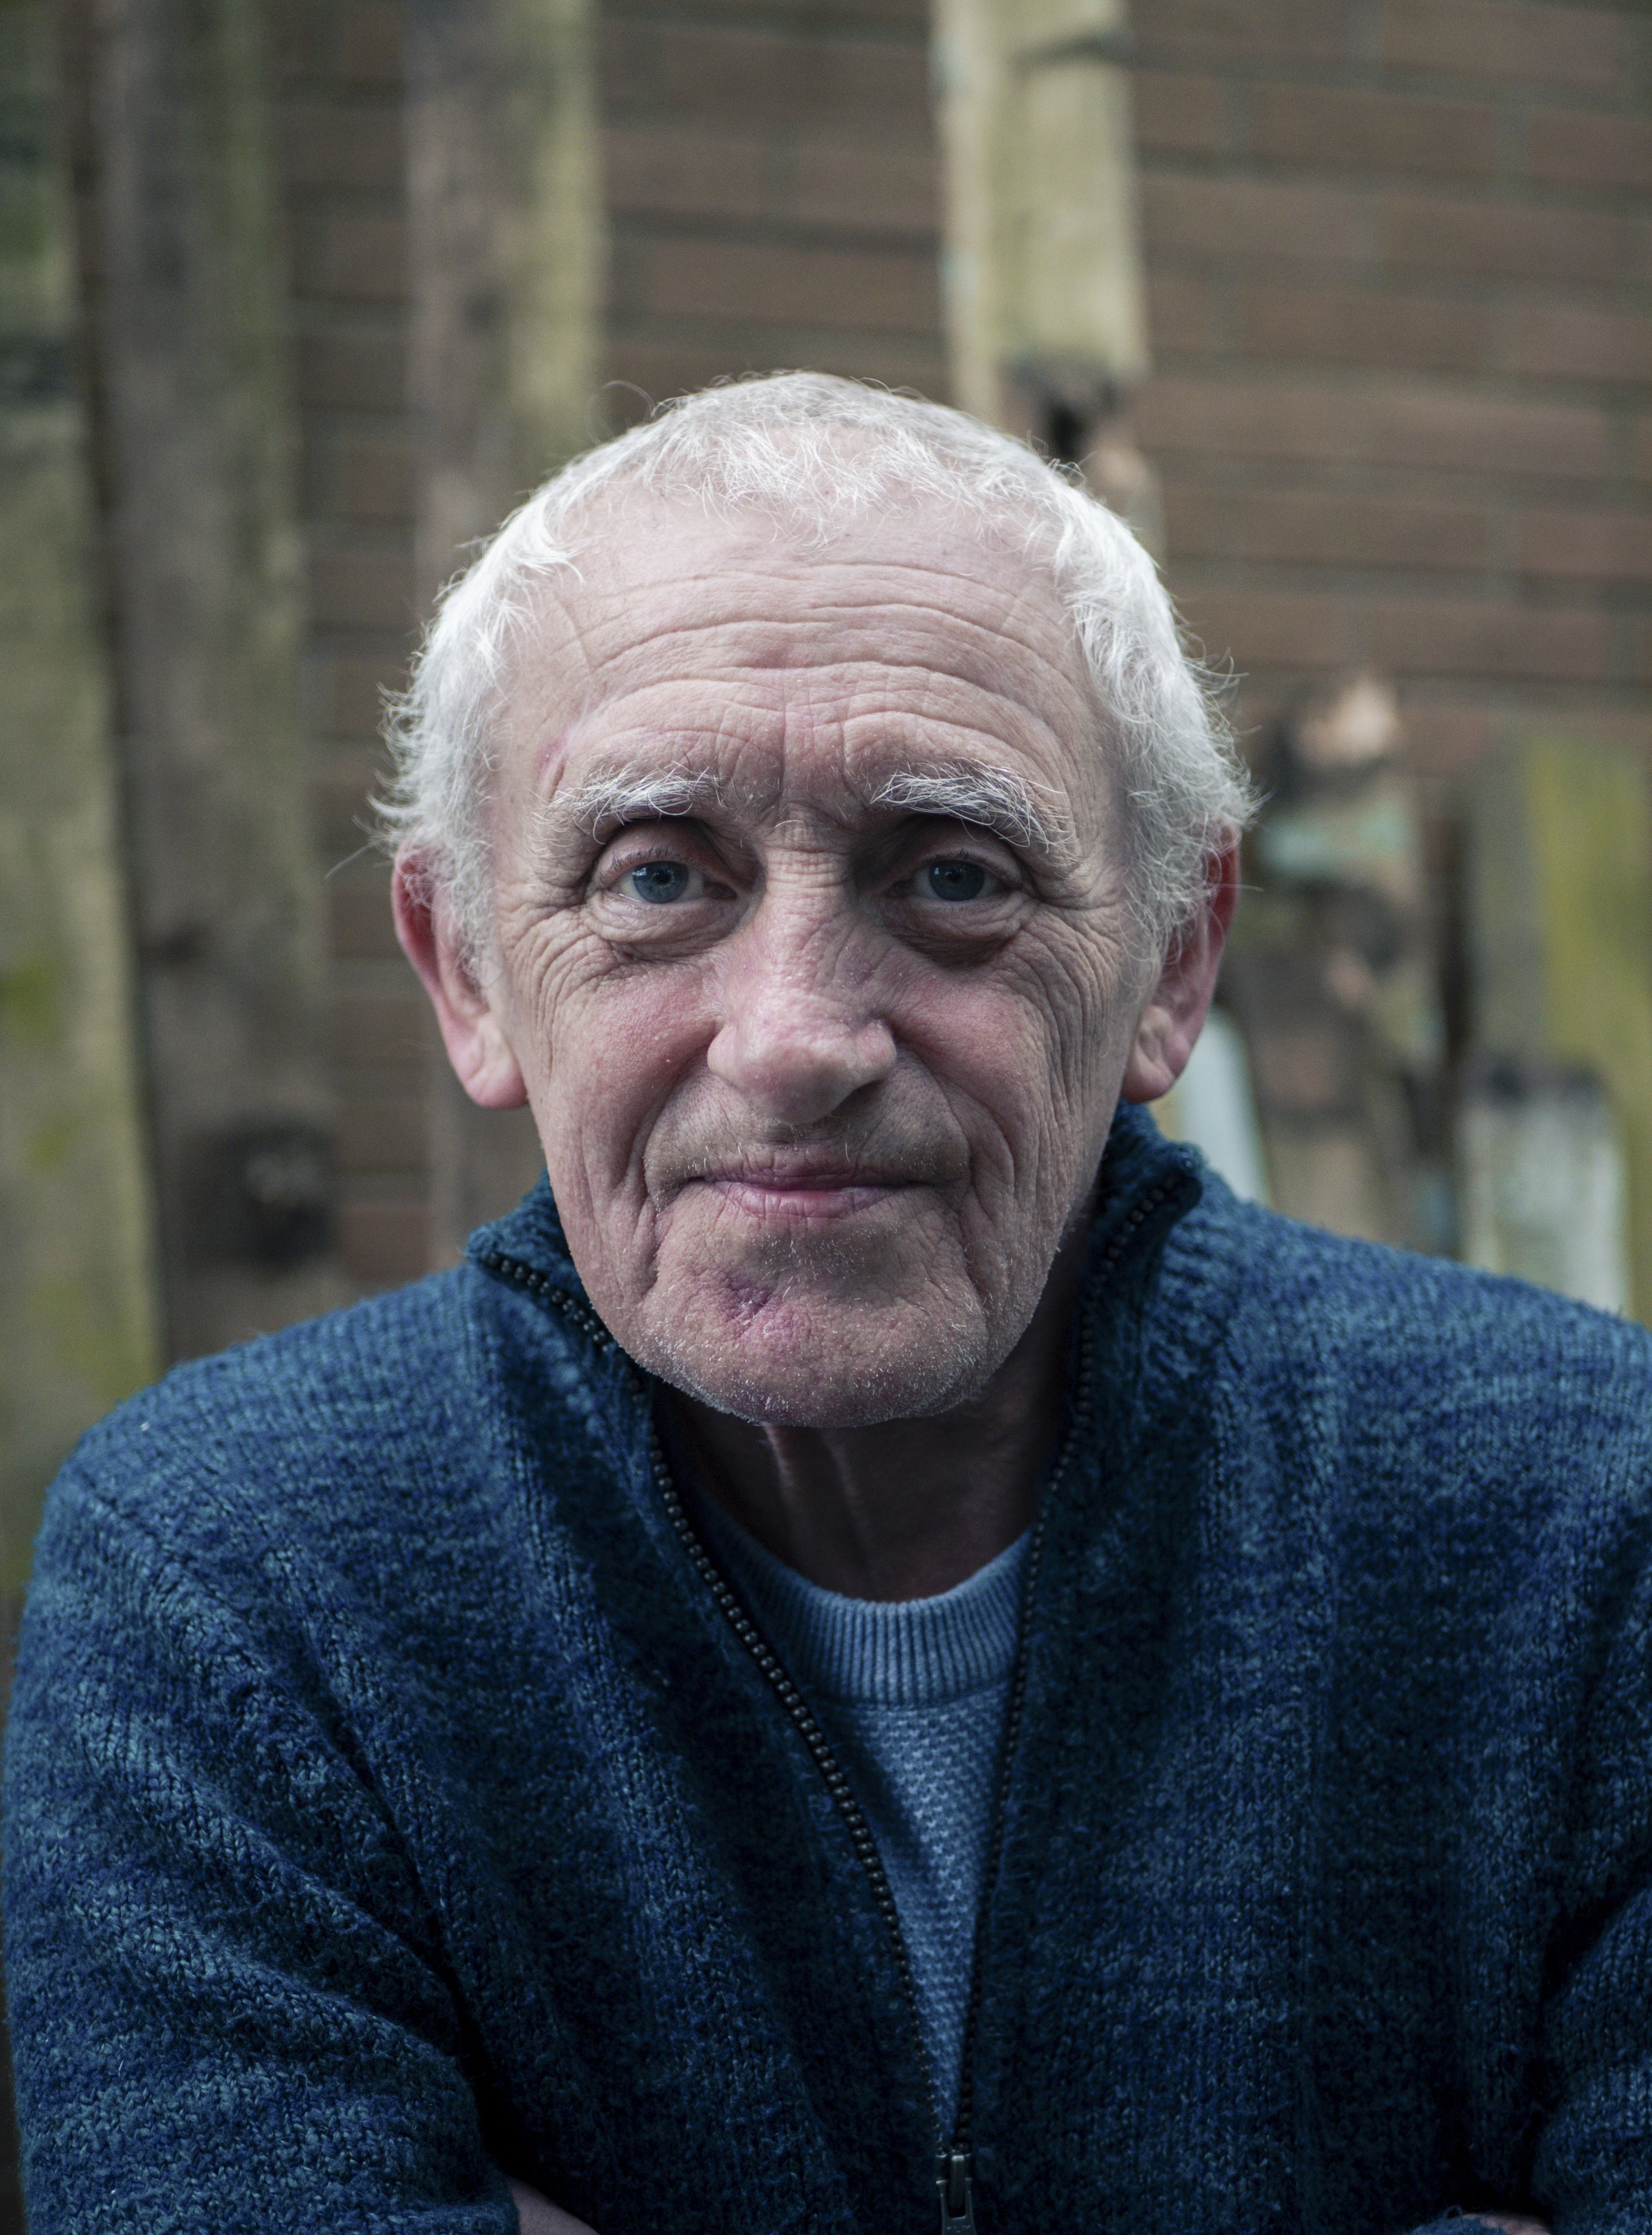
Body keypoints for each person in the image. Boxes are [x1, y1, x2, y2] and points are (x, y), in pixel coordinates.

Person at [3, 373, 1633, 2235]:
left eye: (950, 874)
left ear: (1170, 960)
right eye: (653, 876)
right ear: (464, 969)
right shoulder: (238, 1577)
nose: (792, 1038)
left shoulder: (1588, 1527)